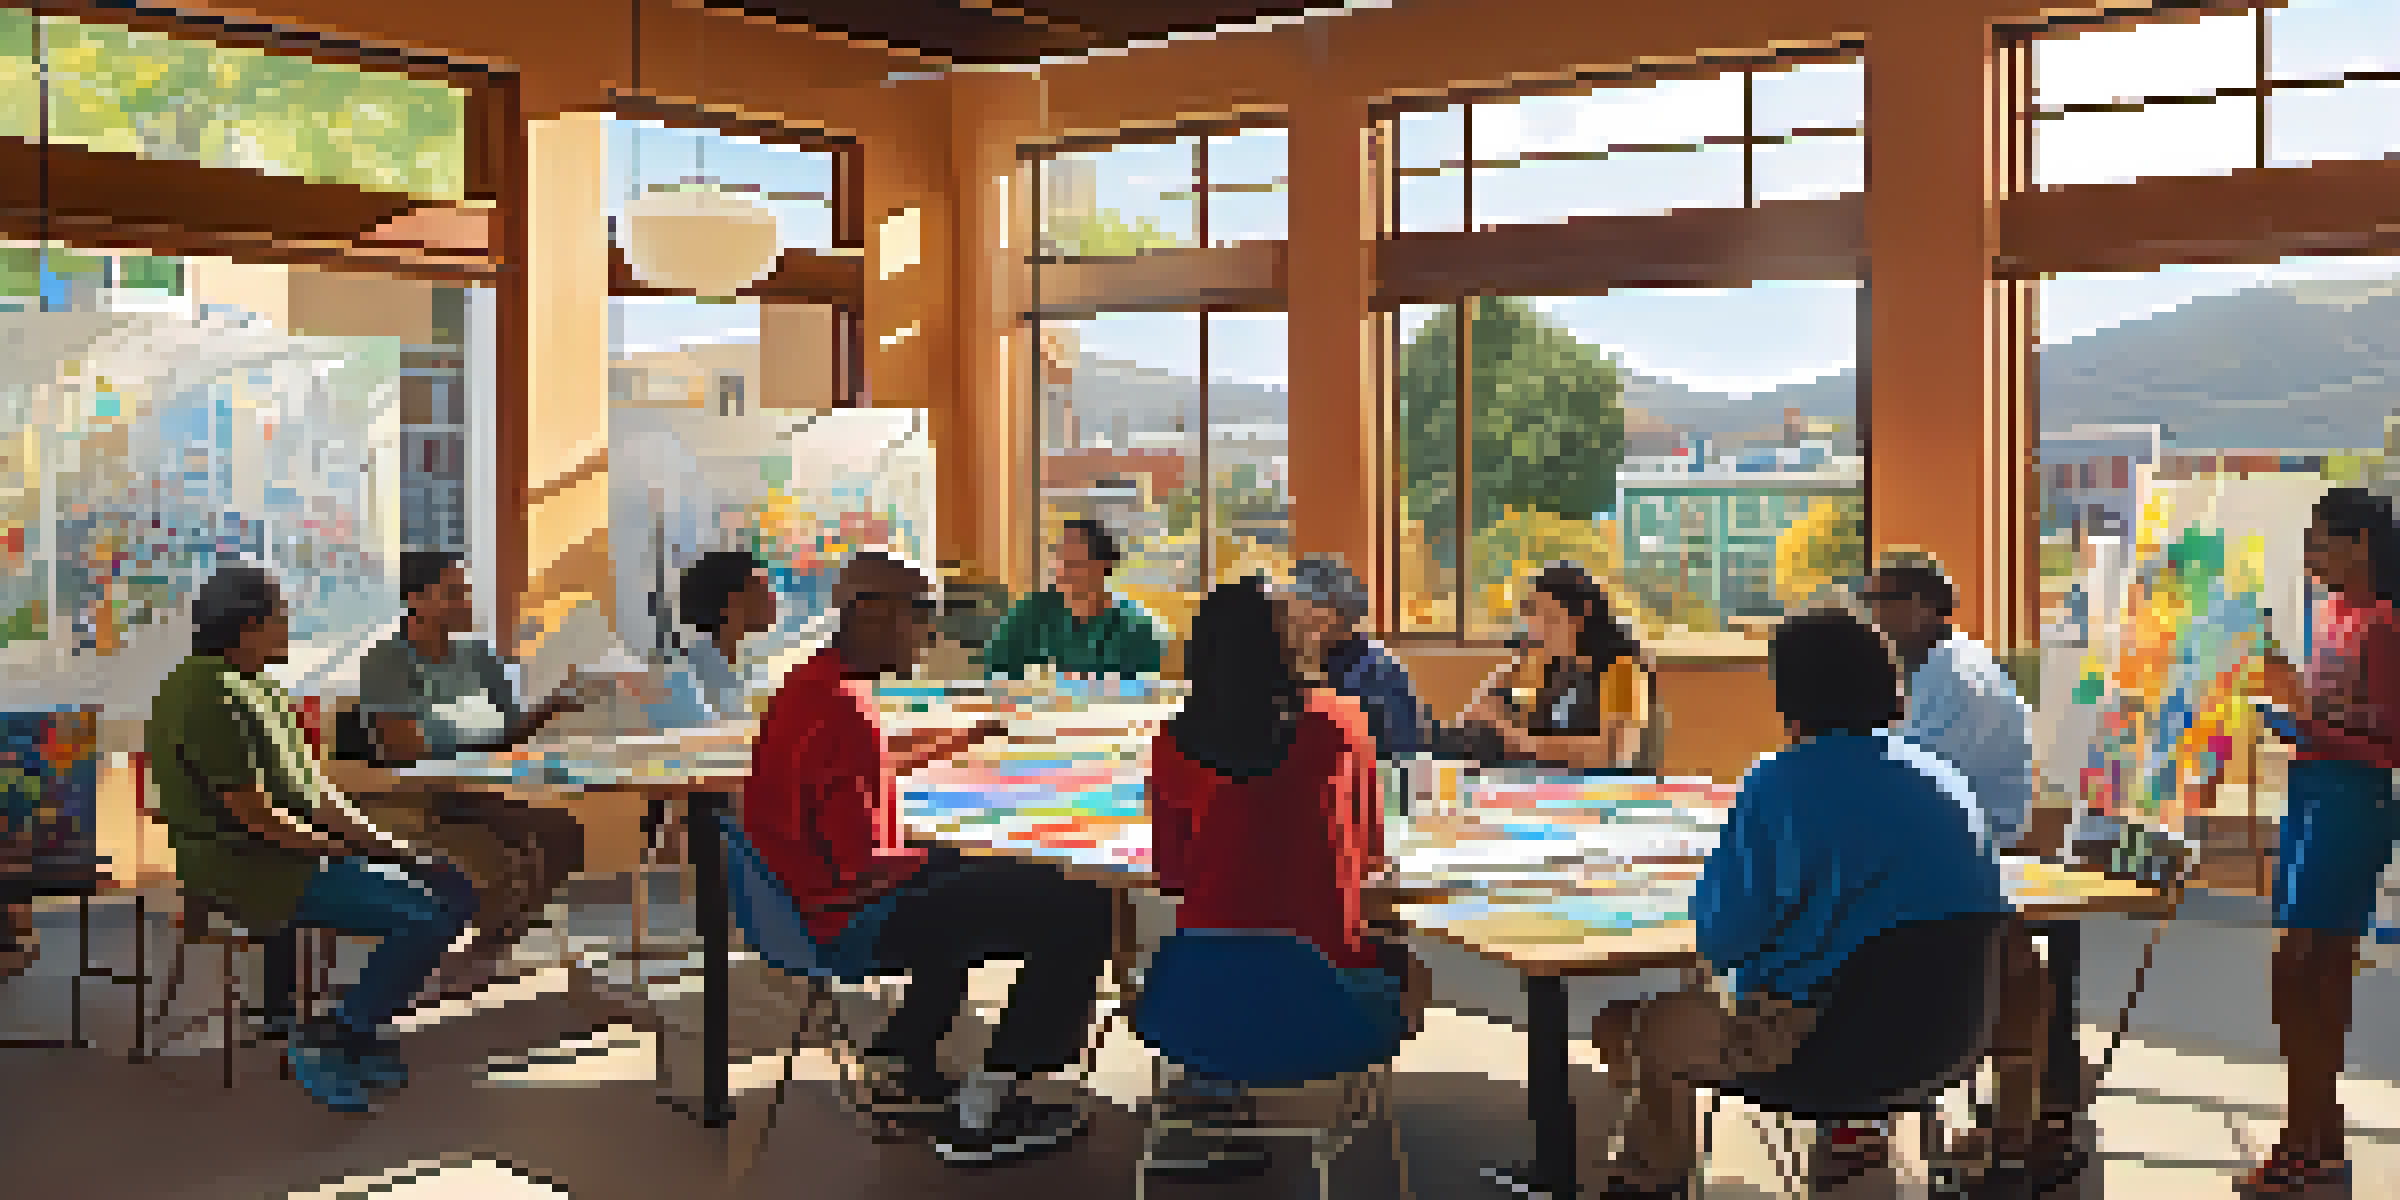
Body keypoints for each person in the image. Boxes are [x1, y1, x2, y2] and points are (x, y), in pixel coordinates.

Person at [1584, 607, 2054, 1199]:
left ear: (1789, 696)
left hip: (1819, 1047)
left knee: (1652, 1027)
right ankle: (1993, 1148)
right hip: (1949, 1041)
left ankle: (1644, 1183)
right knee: (2016, 964)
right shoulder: (1944, 778)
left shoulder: (1778, 783)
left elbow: (1721, 939)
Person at [745, 550, 1117, 1165]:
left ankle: (902, 1054)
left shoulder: (812, 684)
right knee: (1076, 904)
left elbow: (867, 768)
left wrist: (959, 742)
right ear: (870, 613)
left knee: (984, 877)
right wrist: (960, 850)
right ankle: (987, 1107)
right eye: (921, 613)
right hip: (846, 916)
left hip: (803, 901)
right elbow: (865, 866)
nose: (931, 632)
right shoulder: (844, 708)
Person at [147, 565, 476, 1113]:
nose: (288, 626)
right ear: (247, 624)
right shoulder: (204, 689)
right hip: (244, 863)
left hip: (293, 848)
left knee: (453, 888)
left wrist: (391, 848)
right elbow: (254, 815)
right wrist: (344, 851)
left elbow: (318, 795)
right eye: (279, 616)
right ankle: (334, 1040)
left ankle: (356, 1029)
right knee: (422, 916)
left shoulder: (265, 689)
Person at [1143, 575, 1430, 1177]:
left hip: (1194, 1001)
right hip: (1326, 1000)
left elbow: (1170, 876)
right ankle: (1367, 1119)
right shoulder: (1339, 724)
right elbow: (1371, 855)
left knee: (1227, 947)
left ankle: (1216, 1090)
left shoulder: (1172, 741)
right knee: (1410, 965)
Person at [2240, 487, 2400, 1196]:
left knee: (2315, 962)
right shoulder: (2331, 615)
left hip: (2352, 799)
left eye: (2320, 543)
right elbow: (2332, 705)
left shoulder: (2383, 624)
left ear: (2360, 544)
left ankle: (2308, 1138)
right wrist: (2291, 700)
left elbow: (2385, 734)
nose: (2309, 557)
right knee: (2293, 965)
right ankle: (2313, 1126)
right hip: (2309, 792)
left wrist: (2302, 714)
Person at [352, 552, 589, 994]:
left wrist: (554, 706)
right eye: (453, 593)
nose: (466, 603)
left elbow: (508, 728)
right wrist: (481, 732)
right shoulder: (387, 661)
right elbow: (403, 746)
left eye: (466, 592)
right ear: (416, 600)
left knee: (562, 833)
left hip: (477, 790)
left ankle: (490, 948)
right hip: (416, 799)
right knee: (500, 857)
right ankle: (464, 956)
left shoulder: (478, 655)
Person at [1862, 550, 2036, 853]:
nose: (1871, 615)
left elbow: (1921, 786)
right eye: (1866, 602)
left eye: (1881, 600)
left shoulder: (1960, 677)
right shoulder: (1927, 664)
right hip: (1938, 830)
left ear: (1923, 606)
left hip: (1967, 841)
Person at [1448, 563, 1651, 771]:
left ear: (1581, 615)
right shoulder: (1540, 663)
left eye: (1549, 617)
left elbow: (1611, 753)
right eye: (1533, 616)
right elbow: (1483, 714)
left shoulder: (1623, 669)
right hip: (1540, 783)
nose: (1536, 627)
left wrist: (1520, 739)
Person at [981, 519, 1165, 678]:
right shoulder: (1028, 615)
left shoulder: (1135, 628)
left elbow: (1146, 693)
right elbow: (996, 673)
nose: (1061, 572)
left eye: (1073, 564)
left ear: (1102, 566)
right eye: (1059, 560)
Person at [1284, 555, 1426, 758]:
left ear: (1339, 614)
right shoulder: (1300, 663)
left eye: (1304, 610)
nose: (1294, 623)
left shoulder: (1380, 673)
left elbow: (1403, 755)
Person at [656, 550, 778, 725]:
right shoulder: (691, 675)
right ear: (734, 600)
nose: (771, 597)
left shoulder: (739, 662)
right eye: (761, 587)